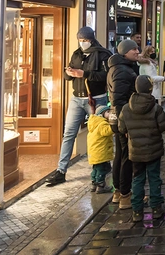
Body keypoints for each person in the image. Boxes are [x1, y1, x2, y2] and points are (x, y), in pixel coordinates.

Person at [46, 27, 112, 186]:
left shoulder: (103, 54)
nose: (82, 43)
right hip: (76, 99)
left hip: (96, 99)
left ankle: (100, 170)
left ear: (91, 39)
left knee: (98, 135)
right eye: (80, 40)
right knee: (68, 133)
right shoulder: (76, 54)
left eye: (85, 40)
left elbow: (106, 76)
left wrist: (85, 74)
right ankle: (61, 170)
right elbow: (66, 76)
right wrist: (68, 73)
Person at [118, 75, 165, 222]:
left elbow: (121, 128)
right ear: (150, 89)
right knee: (154, 178)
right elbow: (164, 125)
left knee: (138, 179)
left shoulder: (126, 108)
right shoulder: (155, 108)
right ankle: (156, 208)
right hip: (153, 150)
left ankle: (137, 211)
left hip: (135, 151)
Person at [107, 39, 140, 209]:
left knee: (120, 155)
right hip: (123, 120)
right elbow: (118, 100)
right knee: (126, 157)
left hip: (121, 119)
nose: (137, 51)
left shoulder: (122, 67)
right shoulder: (121, 70)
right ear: (124, 52)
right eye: (133, 49)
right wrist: (124, 125)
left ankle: (118, 192)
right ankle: (125, 196)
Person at [87, 105, 115, 193]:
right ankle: (100, 185)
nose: (109, 113)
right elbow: (107, 131)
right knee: (103, 169)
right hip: (101, 153)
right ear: (101, 114)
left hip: (95, 152)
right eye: (107, 112)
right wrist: (113, 125)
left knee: (95, 169)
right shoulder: (102, 124)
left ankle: (94, 184)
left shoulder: (93, 123)